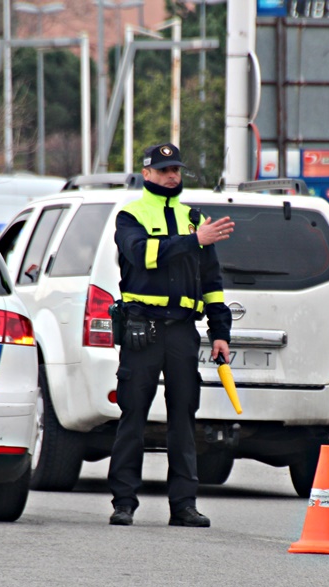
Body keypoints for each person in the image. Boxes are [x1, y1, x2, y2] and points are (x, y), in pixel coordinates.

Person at [107, 143, 234, 528]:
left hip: (182, 331)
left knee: (184, 418)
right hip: (142, 328)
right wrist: (196, 241)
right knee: (133, 417)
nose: (171, 176)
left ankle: (184, 505)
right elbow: (142, 254)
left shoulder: (195, 218)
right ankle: (124, 502)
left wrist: (219, 332)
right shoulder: (130, 215)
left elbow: (211, 282)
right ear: (147, 174)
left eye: (175, 169)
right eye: (163, 170)